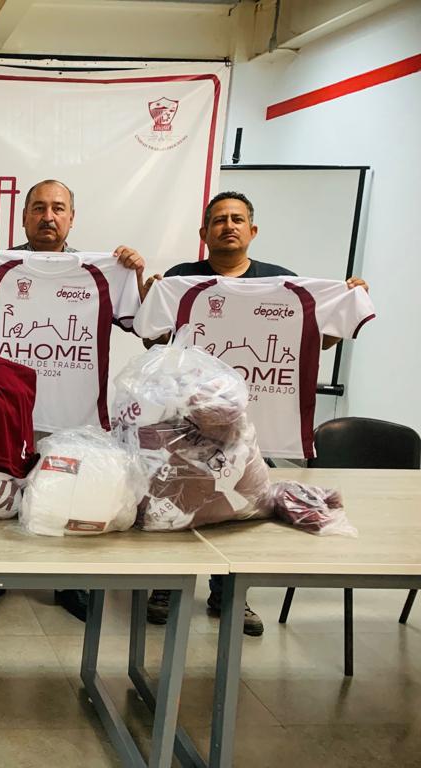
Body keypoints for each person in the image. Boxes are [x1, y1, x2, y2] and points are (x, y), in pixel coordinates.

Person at [141, 190, 369, 636]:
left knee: (241, 508)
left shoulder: (286, 283)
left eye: (237, 219)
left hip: (251, 424)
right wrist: (153, 295)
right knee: (179, 500)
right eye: (219, 219)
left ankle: (230, 595)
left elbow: (317, 340)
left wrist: (348, 300)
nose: (228, 226)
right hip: (184, 420)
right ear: (204, 232)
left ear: (252, 230)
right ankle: (167, 587)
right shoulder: (181, 278)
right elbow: (153, 340)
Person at [0, 179, 146, 622]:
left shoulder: (102, 271)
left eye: (58, 208)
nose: (48, 216)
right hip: (7, 411)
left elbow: (141, 324)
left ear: (72, 218)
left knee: (73, 495)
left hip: (75, 414)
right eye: (38, 208)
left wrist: (134, 275)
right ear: (23, 217)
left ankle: (68, 583)